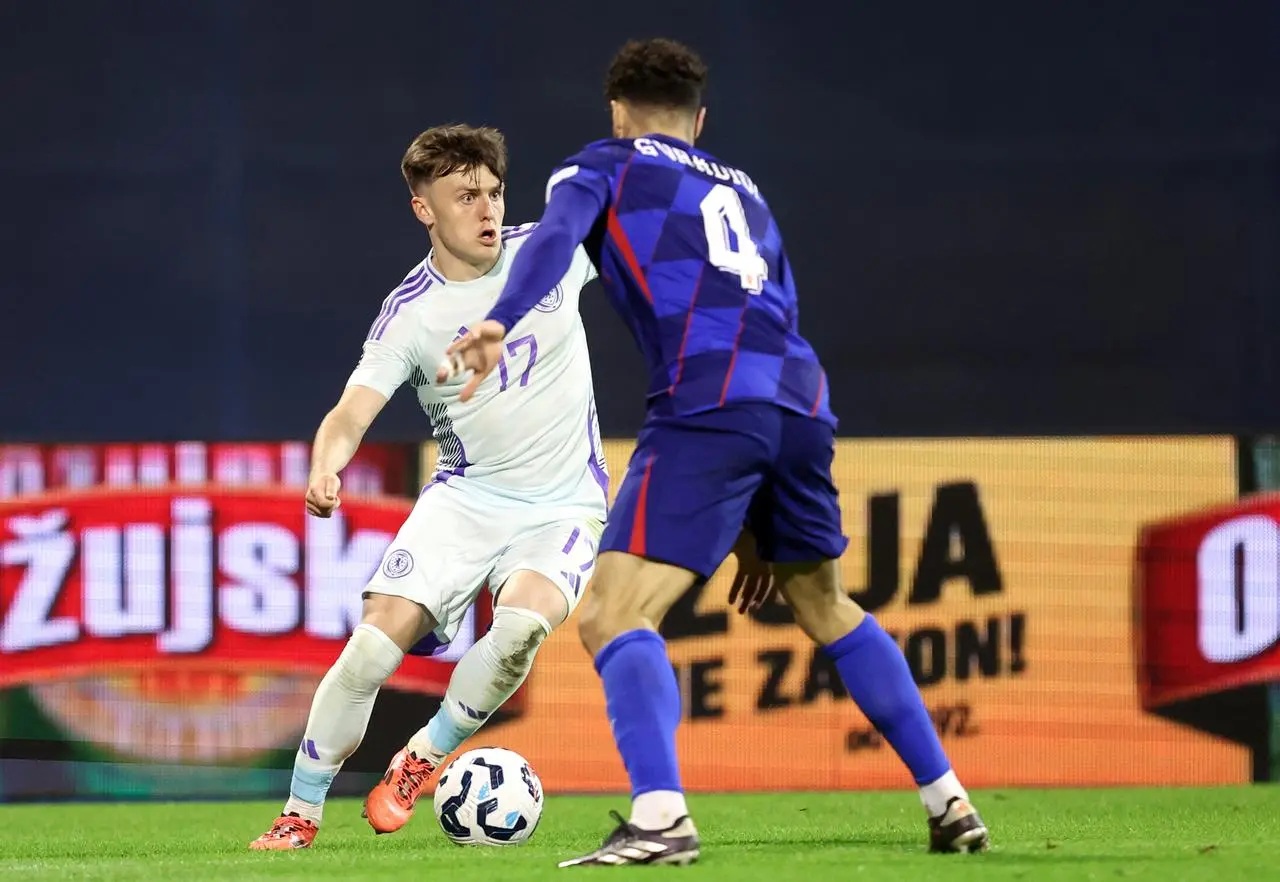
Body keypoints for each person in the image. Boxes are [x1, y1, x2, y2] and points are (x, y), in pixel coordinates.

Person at [440, 39, 991, 867]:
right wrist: (754, 514)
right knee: (824, 606)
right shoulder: (750, 193)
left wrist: (499, 317)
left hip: (708, 399)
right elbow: (780, 308)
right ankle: (948, 800)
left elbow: (555, 240)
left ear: (617, 110)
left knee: (613, 614)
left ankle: (660, 818)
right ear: (699, 119)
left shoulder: (604, 164)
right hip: (800, 402)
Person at [249, 123, 609, 850]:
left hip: (564, 503)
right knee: (371, 652)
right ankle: (300, 814)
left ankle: (421, 756)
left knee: (519, 632)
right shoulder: (410, 314)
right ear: (425, 210)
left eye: (495, 192)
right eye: (466, 195)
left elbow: (637, 239)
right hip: (465, 501)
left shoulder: (548, 254)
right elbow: (351, 411)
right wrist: (327, 464)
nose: (487, 210)